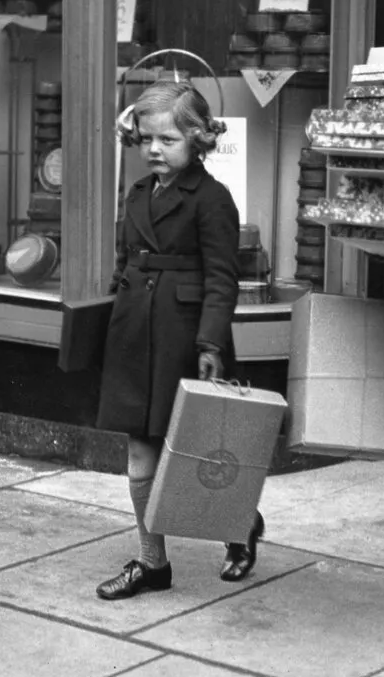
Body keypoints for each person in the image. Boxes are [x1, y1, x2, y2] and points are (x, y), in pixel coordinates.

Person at [95, 79, 264, 600]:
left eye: (167, 140)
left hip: (186, 340)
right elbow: (125, 261)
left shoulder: (212, 200)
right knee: (139, 451)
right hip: (134, 335)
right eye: (147, 139)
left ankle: (241, 527)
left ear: (197, 140)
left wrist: (211, 344)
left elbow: (222, 278)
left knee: (205, 452)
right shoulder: (138, 194)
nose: (154, 150)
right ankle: (153, 562)